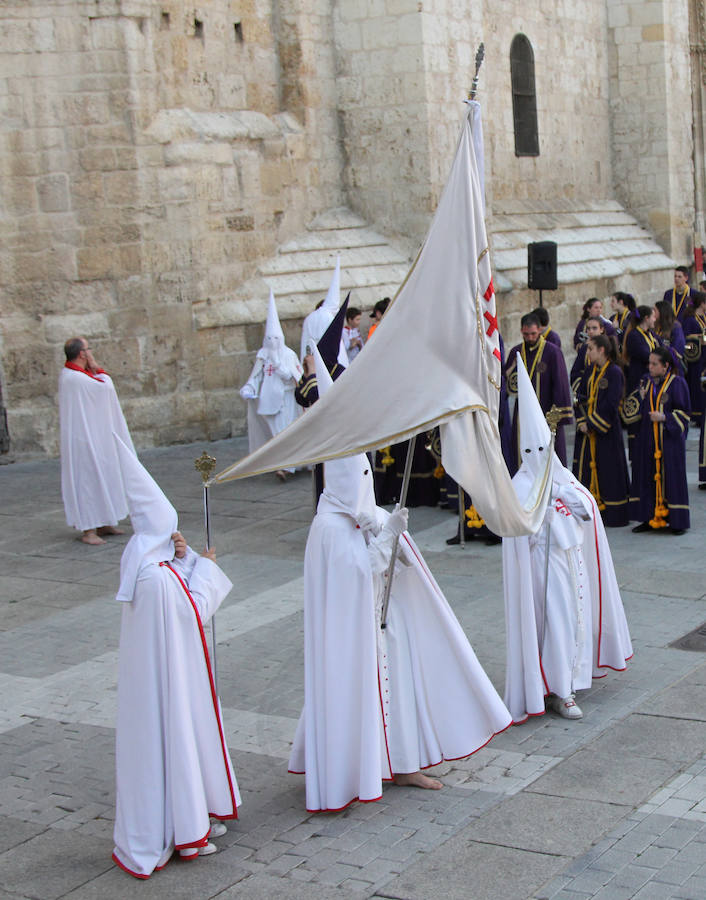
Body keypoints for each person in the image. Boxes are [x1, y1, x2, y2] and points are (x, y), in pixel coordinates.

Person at [288, 352, 512, 812]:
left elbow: (371, 520)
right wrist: (387, 537)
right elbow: (355, 576)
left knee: (398, 680)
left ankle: (401, 762)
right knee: (359, 690)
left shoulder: (351, 510)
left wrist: (389, 528)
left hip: (377, 627)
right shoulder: (329, 527)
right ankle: (352, 768)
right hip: (351, 638)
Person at [111, 436, 240, 879]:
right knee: (176, 742)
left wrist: (182, 560)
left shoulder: (149, 566)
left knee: (186, 741)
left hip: (172, 677)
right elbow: (192, 611)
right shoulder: (152, 577)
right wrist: (203, 567)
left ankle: (194, 815)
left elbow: (176, 598)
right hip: (168, 687)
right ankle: (182, 830)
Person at [503, 357, 633, 723]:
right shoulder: (520, 485)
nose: (538, 458)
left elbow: (588, 508)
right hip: (543, 569)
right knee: (556, 624)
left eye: (543, 450)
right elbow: (516, 528)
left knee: (576, 620)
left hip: (571, 561)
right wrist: (539, 512)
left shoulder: (561, 476)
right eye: (531, 452)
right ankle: (560, 689)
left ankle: (573, 679)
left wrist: (571, 500)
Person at [59, 336, 134, 545]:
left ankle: (104, 522)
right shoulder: (73, 378)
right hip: (83, 441)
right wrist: (96, 367)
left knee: (104, 475)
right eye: (88, 349)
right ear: (82, 354)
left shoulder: (77, 376)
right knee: (88, 482)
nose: (90, 352)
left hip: (94, 436)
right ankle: (89, 530)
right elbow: (104, 387)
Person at [627, 346, 691, 535]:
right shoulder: (646, 382)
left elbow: (685, 413)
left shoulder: (677, 384)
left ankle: (676, 521)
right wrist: (639, 398)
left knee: (671, 477)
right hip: (648, 437)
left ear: (665, 367)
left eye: (655, 364)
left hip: (669, 441)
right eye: (649, 363)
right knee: (646, 475)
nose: (650, 367)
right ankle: (647, 517)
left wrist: (664, 417)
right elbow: (634, 408)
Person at [240, 291, 302, 481]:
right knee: (274, 434)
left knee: (285, 433)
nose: (272, 342)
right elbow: (256, 376)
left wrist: (277, 364)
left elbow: (293, 376)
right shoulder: (263, 354)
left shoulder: (288, 354)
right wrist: (249, 388)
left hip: (285, 399)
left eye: (275, 338)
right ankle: (278, 463)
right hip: (267, 401)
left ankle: (286, 467)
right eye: (269, 339)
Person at [573, 335, 630, 527]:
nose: (587, 352)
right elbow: (580, 396)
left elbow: (611, 403)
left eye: (590, 349)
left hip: (606, 431)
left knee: (609, 470)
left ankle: (612, 512)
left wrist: (591, 424)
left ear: (602, 350)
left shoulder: (614, 372)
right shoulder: (590, 370)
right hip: (587, 431)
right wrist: (582, 420)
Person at [505, 312, 573, 473]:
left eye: (533, 334)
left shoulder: (552, 352)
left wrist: (557, 418)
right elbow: (505, 384)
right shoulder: (516, 352)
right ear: (521, 331)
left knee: (550, 460)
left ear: (540, 331)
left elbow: (561, 385)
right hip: (522, 417)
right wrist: (509, 371)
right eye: (526, 334)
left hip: (546, 413)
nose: (530, 338)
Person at [621, 304, 660, 459]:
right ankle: (636, 453)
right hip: (638, 381)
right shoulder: (634, 336)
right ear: (646, 318)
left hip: (651, 380)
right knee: (637, 418)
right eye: (653, 316)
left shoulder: (650, 334)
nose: (655, 319)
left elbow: (661, 347)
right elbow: (648, 355)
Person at [681, 291, 706, 425]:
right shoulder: (690, 320)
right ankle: (698, 415)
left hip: (705, 357)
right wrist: (699, 340)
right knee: (698, 386)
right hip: (697, 360)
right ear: (702, 304)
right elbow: (686, 342)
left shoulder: (703, 317)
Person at [569, 316, 606, 393]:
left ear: (601, 329)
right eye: (588, 329)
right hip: (588, 392)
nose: (591, 331)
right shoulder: (584, 348)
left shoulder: (609, 347)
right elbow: (575, 373)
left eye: (594, 328)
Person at [654, 299, 686, 374]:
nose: (652, 313)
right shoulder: (655, 326)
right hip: (658, 365)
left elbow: (678, 349)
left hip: (672, 367)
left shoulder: (675, 327)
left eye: (655, 310)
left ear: (662, 312)